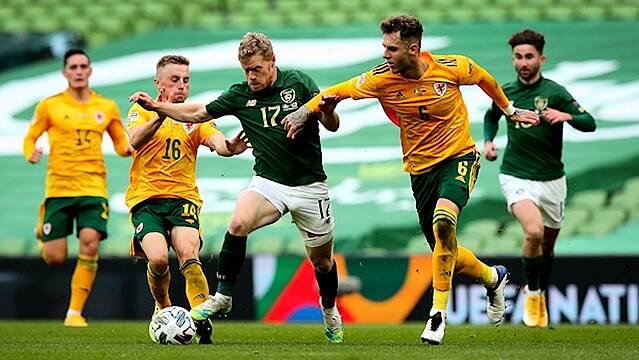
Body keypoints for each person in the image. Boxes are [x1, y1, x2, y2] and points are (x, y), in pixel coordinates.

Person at [282, 15, 540, 345]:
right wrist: (306, 111)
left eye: (391, 48)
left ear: (413, 48)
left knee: (444, 222)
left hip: (459, 158)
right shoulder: (380, 79)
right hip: (420, 172)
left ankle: (437, 316)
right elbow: (336, 92)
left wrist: (508, 108)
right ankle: (493, 277)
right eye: (383, 47)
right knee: (443, 250)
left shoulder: (452, 67)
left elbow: (483, 78)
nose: (384, 55)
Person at [129, 32, 344, 343]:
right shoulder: (240, 94)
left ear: (273, 62)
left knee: (322, 261)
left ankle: (329, 310)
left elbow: (333, 124)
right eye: (245, 70)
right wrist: (158, 108)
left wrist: (324, 111)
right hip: (269, 183)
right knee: (238, 221)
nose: (251, 76)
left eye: (256, 69)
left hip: (310, 187)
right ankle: (223, 295)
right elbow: (198, 112)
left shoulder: (299, 82)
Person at [125, 55, 249, 343]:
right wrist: (159, 113)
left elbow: (219, 144)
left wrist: (230, 146)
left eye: (186, 80)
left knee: (189, 256)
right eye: (174, 80)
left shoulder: (196, 116)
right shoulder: (140, 111)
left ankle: (201, 320)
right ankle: (163, 307)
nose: (181, 86)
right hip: (147, 200)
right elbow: (134, 141)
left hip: (183, 200)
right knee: (157, 260)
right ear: (158, 83)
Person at [483, 29, 596, 328]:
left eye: (529, 56)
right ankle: (532, 295)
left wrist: (567, 116)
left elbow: (590, 122)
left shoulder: (555, 92)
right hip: (515, 175)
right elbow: (490, 116)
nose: (523, 62)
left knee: (547, 246)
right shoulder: (505, 92)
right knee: (533, 232)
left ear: (541, 59)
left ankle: (539, 292)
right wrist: (488, 142)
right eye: (518, 57)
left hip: (552, 180)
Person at [23, 49, 132, 327]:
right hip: (59, 188)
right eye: (73, 67)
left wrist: (130, 149)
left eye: (83, 66)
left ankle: (74, 313)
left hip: (93, 187)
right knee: (54, 258)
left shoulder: (106, 106)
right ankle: (42, 225)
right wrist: (31, 152)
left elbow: (121, 142)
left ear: (90, 70)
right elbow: (31, 136)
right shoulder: (49, 105)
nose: (79, 71)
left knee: (90, 242)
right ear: (65, 72)